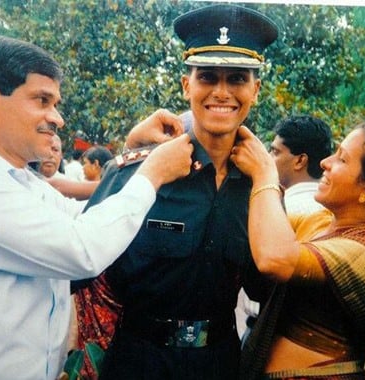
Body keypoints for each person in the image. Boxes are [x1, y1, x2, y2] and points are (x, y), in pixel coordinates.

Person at [0, 34, 193, 379]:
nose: (57, 118)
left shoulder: (22, 183)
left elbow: (88, 217)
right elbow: (81, 249)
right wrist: (152, 172)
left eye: (55, 103)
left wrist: (131, 154)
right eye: (42, 100)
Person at [74, 4, 279, 379]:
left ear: (256, 89)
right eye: (207, 77)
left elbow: (267, 287)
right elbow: (77, 272)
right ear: (187, 85)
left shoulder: (259, 189)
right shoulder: (136, 174)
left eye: (236, 79)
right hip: (138, 360)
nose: (222, 92)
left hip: (218, 363)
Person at [230, 120, 365, 379]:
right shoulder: (325, 231)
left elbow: (276, 260)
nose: (325, 162)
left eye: (342, 159)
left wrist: (265, 173)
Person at [237, 115, 333, 342]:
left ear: (300, 161)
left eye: (275, 152)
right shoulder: (327, 209)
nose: (268, 159)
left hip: (271, 332)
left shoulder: (282, 207)